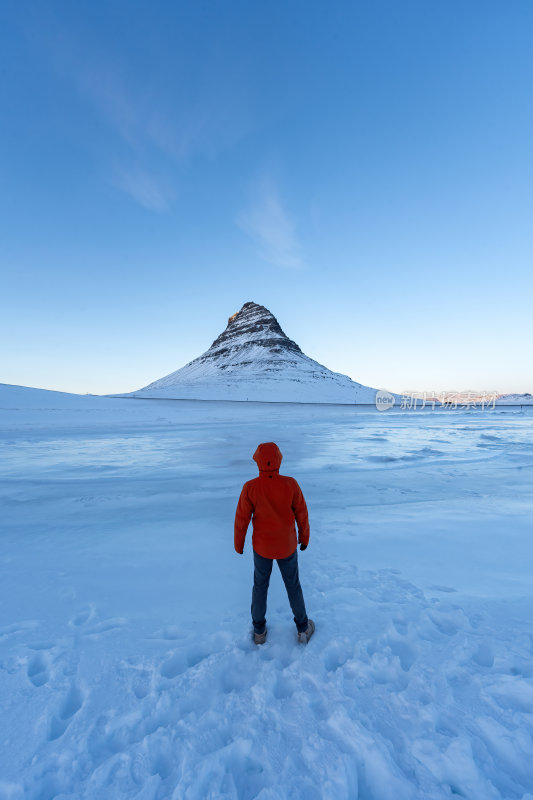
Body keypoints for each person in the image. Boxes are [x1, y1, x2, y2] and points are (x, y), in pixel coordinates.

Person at [234, 442, 315, 645]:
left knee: (260, 586)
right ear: (279, 460)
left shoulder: (250, 487)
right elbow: (302, 514)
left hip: (262, 547)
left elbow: (241, 518)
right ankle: (303, 628)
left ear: (257, 461)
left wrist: (239, 543)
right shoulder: (290, 484)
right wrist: (304, 538)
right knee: (293, 585)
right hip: (286, 546)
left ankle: (259, 632)